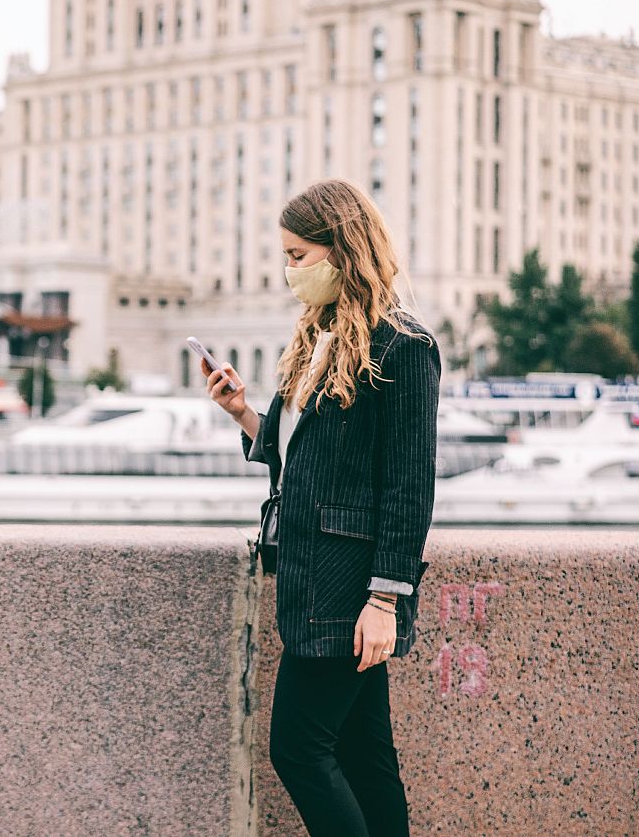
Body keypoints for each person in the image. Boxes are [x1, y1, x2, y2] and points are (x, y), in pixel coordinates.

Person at [202, 178, 440, 837]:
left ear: (343, 250)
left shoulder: (403, 346)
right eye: (285, 255)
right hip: (310, 579)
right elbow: (294, 457)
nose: (289, 271)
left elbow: (409, 487)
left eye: (299, 255)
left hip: (351, 591)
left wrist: (386, 599)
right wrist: (241, 413)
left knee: (298, 750)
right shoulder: (318, 337)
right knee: (366, 759)